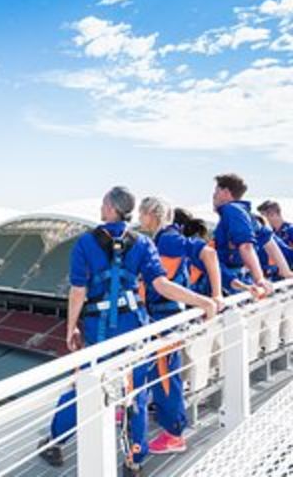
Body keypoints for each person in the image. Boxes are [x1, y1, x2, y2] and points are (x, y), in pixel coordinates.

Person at [40, 187, 218, 477]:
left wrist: (71, 327)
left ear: (110, 207)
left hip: (100, 329)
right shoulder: (144, 243)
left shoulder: (85, 243)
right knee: (136, 391)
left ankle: (55, 443)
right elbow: (160, 285)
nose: (101, 207)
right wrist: (203, 301)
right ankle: (134, 462)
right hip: (135, 325)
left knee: (81, 386)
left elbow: (78, 290)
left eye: (103, 203)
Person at [138, 197, 223, 455]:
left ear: (152, 213)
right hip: (161, 317)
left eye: (142, 212)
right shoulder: (163, 238)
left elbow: (208, 252)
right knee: (161, 374)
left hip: (166, 319)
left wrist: (215, 296)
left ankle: (174, 434)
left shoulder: (167, 238)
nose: (139, 217)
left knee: (166, 377)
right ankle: (165, 423)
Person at [212, 174, 291, 296]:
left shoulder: (231, 210)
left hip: (232, 281)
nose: (214, 196)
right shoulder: (247, 214)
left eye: (216, 191)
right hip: (240, 279)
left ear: (226, 192)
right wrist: (285, 271)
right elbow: (268, 241)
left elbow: (246, 245)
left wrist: (259, 279)